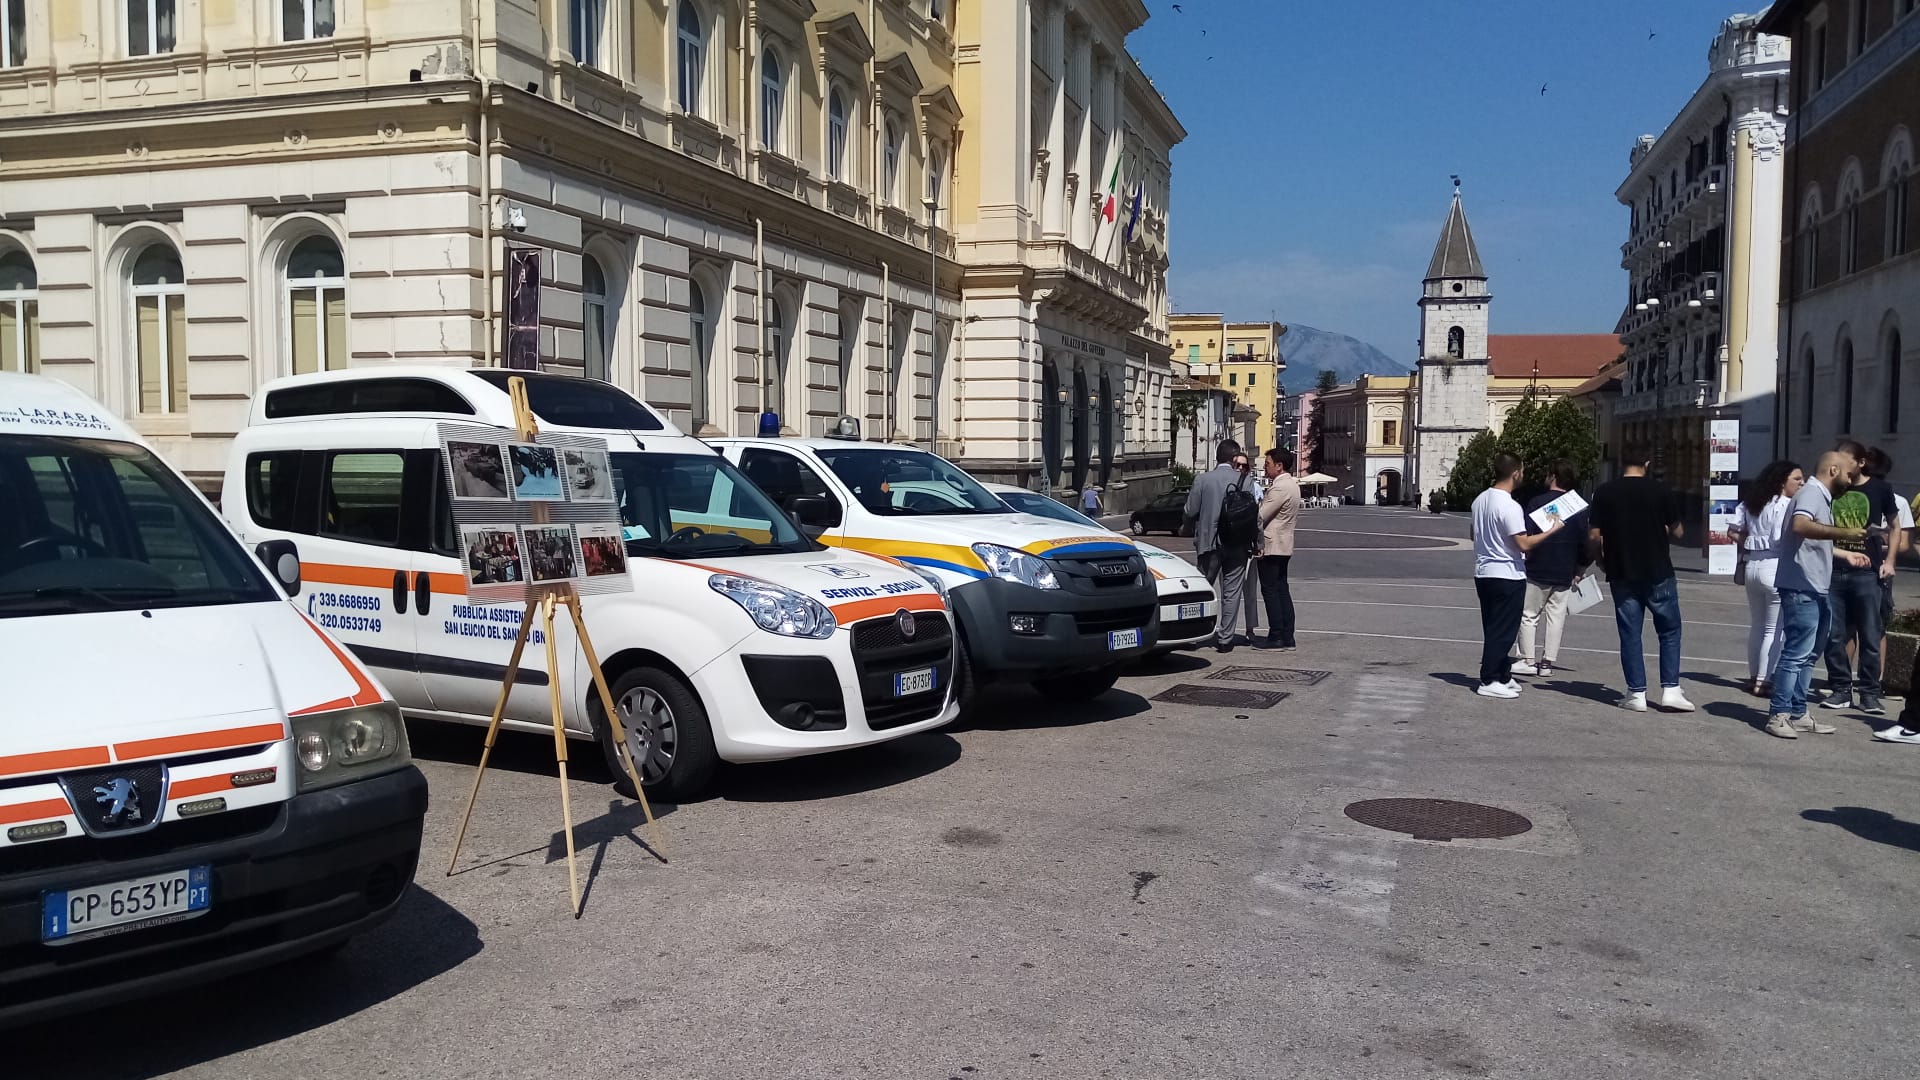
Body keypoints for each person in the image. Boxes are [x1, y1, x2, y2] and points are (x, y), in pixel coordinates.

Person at [1764, 451, 1874, 738]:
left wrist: (1844, 553)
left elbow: (1807, 540)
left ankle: (1798, 712)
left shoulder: (1817, 496)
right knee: (1796, 653)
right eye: (1849, 475)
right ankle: (1779, 714)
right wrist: (1844, 534)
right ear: (1834, 470)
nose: (1851, 481)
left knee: (1809, 655)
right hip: (1802, 586)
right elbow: (1800, 526)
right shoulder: (1812, 493)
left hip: (1813, 586)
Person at [1589, 450, 1695, 712]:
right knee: (1669, 631)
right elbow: (1679, 530)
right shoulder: (1660, 491)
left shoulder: (1604, 492)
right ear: (1646, 464)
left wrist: (1601, 559)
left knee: (1630, 633)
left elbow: (1593, 535)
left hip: (1622, 570)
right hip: (1658, 569)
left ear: (1622, 464)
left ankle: (1636, 693)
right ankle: (1670, 689)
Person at [1471, 452, 1565, 699]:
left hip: (1484, 571)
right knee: (1503, 631)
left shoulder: (1480, 500)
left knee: (1493, 625)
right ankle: (1489, 678)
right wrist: (1552, 530)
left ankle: (1502, 674)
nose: (1523, 475)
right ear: (1515, 473)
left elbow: (1474, 533)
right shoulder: (1509, 506)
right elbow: (1523, 543)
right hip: (1506, 573)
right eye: (1522, 471)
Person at [1820, 439, 1901, 716]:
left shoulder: (1880, 489)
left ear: (1860, 463)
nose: (1838, 465)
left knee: (1870, 634)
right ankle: (1841, 689)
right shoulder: (1832, 488)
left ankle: (1869, 693)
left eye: (1844, 461)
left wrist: (1889, 562)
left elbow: (1895, 525)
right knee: (1834, 635)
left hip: (1867, 572)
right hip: (1834, 570)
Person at [1728, 460, 1803, 698]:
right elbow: (1786, 538)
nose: (1801, 483)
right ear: (1782, 482)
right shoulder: (1787, 505)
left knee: (1758, 626)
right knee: (1774, 629)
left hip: (1753, 564)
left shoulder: (1753, 502)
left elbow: (1732, 530)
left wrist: (1751, 543)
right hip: (1775, 565)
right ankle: (1764, 679)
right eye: (1797, 479)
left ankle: (1754, 677)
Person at [1511, 462, 1590, 678]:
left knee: (1529, 615)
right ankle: (1547, 663)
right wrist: (1580, 568)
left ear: (1553, 476)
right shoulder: (1579, 507)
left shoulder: (1536, 502)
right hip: (1565, 569)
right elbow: (1586, 541)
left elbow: (1525, 533)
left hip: (1538, 567)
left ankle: (1527, 659)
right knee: (1557, 617)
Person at [1184, 439, 1256, 654]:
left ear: (1217, 457)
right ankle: (1225, 639)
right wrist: (1258, 541)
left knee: (1203, 589)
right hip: (1238, 542)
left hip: (1210, 542)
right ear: (1235, 458)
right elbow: (1254, 515)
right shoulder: (1245, 480)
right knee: (1232, 592)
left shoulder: (1203, 479)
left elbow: (1190, 510)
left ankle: (1195, 634)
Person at [1255, 446, 1301, 650]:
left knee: (1271, 590)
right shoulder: (1292, 484)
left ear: (1279, 466)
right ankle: (1287, 635)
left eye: (1268, 464)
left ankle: (1276, 635)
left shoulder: (1280, 487)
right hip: (1284, 542)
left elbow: (1261, 516)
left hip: (1272, 544)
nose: (1266, 468)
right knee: (1282, 589)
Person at [1233, 451, 1263, 641]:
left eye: (1245, 466)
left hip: (1248, 545)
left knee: (1250, 590)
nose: (1241, 469)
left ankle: (1250, 628)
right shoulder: (1225, 486)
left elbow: (1258, 517)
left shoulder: (1254, 487)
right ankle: (1229, 628)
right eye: (1238, 465)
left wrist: (1259, 542)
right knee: (1230, 592)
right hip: (1228, 544)